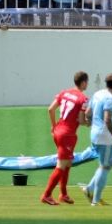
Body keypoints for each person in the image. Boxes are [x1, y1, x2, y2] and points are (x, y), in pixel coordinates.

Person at [40, 71, 89, 205]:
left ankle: (63, 194)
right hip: (67, 134)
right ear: (84, 82)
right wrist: (89, 122)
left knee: (67, 163)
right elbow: (81, 119)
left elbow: (50, 109)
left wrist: (53, 126)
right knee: (61, 165)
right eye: (87, 82)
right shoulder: (83, 99)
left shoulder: (64, 93)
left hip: (58, 131)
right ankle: (46, 195)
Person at [83, 73, 112, 206]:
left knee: (110, 163)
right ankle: (95, 200)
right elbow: (107, 119)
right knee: (105, 166)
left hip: (95, 134)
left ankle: (89, 189)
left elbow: (87, 112)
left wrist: (89, 122)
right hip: (105, 136)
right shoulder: (110, 99)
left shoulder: (98, 93)